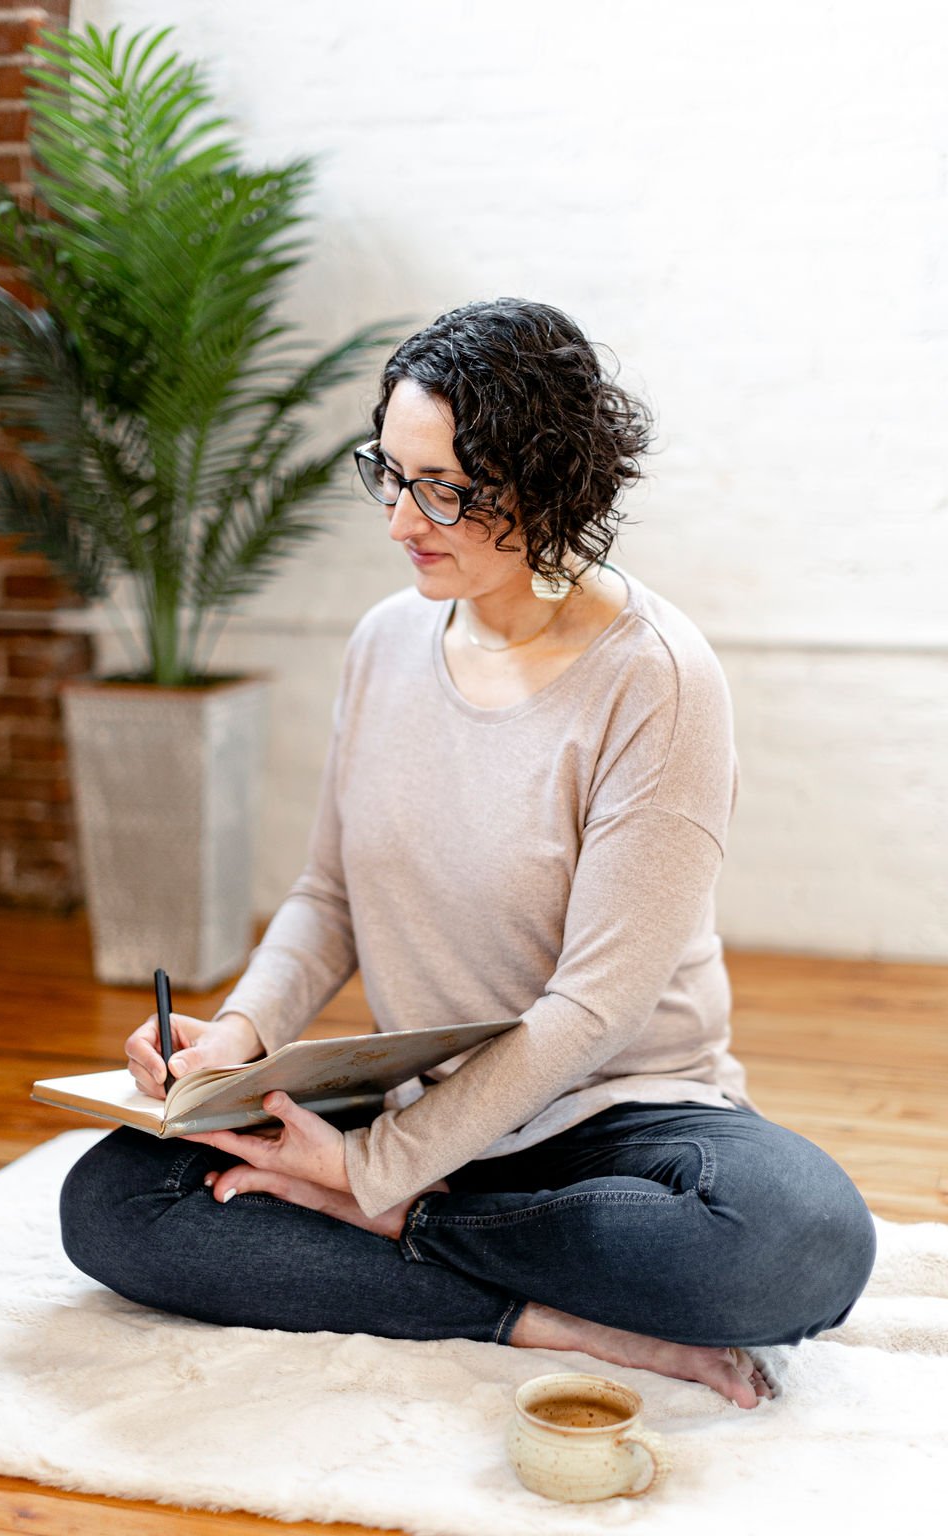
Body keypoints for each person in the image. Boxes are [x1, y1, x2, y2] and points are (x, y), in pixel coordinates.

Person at [60, 298, 876, 1410]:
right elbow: (327, 895)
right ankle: (537, 1318)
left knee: (799, 1241)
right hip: (423, 1104)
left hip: (610, 1122)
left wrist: (375, 1179)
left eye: (441, 487)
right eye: (388, 475)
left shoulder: (658, 681)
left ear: (546, 480)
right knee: (111, 1202)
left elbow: (591, 1010)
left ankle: (405, 1232)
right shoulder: (385, 641)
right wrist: (235, 1044)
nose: (401, 520)